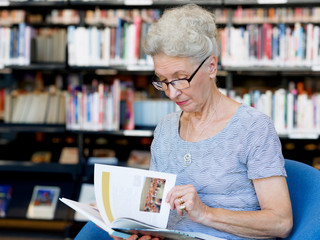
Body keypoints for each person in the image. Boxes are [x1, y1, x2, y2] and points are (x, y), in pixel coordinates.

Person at [75, 3, 293, 240]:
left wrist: (205, 213)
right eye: (163, 81)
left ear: (211, 66)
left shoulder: (253, 127)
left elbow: (280, 222)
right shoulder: (166, 129)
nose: (172, 93)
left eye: (180, 79)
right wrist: (133, 229)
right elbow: (154, 212)